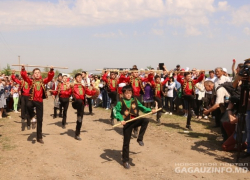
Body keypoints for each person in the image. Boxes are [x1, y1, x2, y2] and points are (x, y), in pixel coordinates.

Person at [113, 85, 156, 169]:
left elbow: (142, 108)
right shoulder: (120, 102)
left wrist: (151, 110)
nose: (128, 95)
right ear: (123, 94)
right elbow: (116, 112)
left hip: (135, 120)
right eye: (126, 93)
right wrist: (121, 119)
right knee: (126, 143)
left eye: (130, 93)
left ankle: (140, 139)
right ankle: (125, 160)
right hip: (127, 123)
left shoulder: (135, 100)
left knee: (145, 120)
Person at [21, 65, 54, 144]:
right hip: (32, 100)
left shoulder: (43, 81)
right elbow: (24, 77)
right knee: (28, 105)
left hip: (39, 101)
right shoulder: (31, 81)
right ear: (33, 75)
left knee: (40, 120)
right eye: (35, 73)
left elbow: (49, 78)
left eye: (38, 72)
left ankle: (39, 137)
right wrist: (23, 69)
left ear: (40, 74)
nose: (37, 74)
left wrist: (51, 70)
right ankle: (32, 116)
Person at [71, 73, 98, 141]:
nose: (79, 78)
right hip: (76, 103)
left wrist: (94, 87)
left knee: (80, 119)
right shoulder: (72, 86)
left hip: (81, 104)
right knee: (79, 101)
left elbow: (90, 93)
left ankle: (77, 134)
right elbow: (67, 92)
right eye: (78, 77)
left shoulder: (83, 87)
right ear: (75, 79)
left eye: (80, 77)